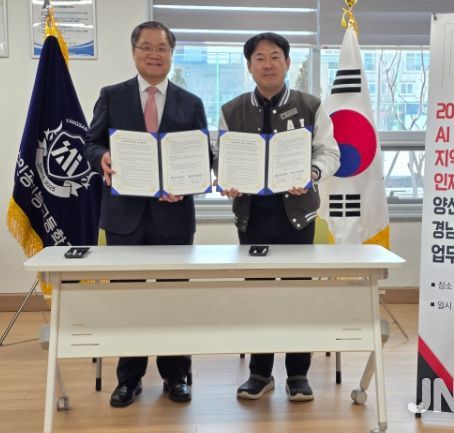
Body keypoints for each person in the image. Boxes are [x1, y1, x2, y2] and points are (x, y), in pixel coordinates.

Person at [83, 21, 209, 408]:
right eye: (146, 47)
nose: (154, 54)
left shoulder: (191, 102)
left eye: (162, 48)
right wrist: (102, 157)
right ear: (134, 52)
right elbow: (91, 143)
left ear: (172, 54)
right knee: (128, 299)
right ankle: (129, 378)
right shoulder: (112, 95)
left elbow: (203, 157)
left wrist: (187, 184)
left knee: (174, 299)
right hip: (124, 217)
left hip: (175, 218)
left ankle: (176, 375)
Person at [213, 32, 340, 402]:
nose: (267, 64)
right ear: (249, 66)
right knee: (259, 295)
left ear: (287, 63)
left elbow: (329, 153)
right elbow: (221, 156)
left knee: (298, 294)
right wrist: (225, 178)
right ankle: (260, 373)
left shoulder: (311, 106)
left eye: (274, 57)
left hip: (297, 216)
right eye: (259, 58)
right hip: (252, 216)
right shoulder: (232, 109)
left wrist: (312, 173)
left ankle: (298, 374)